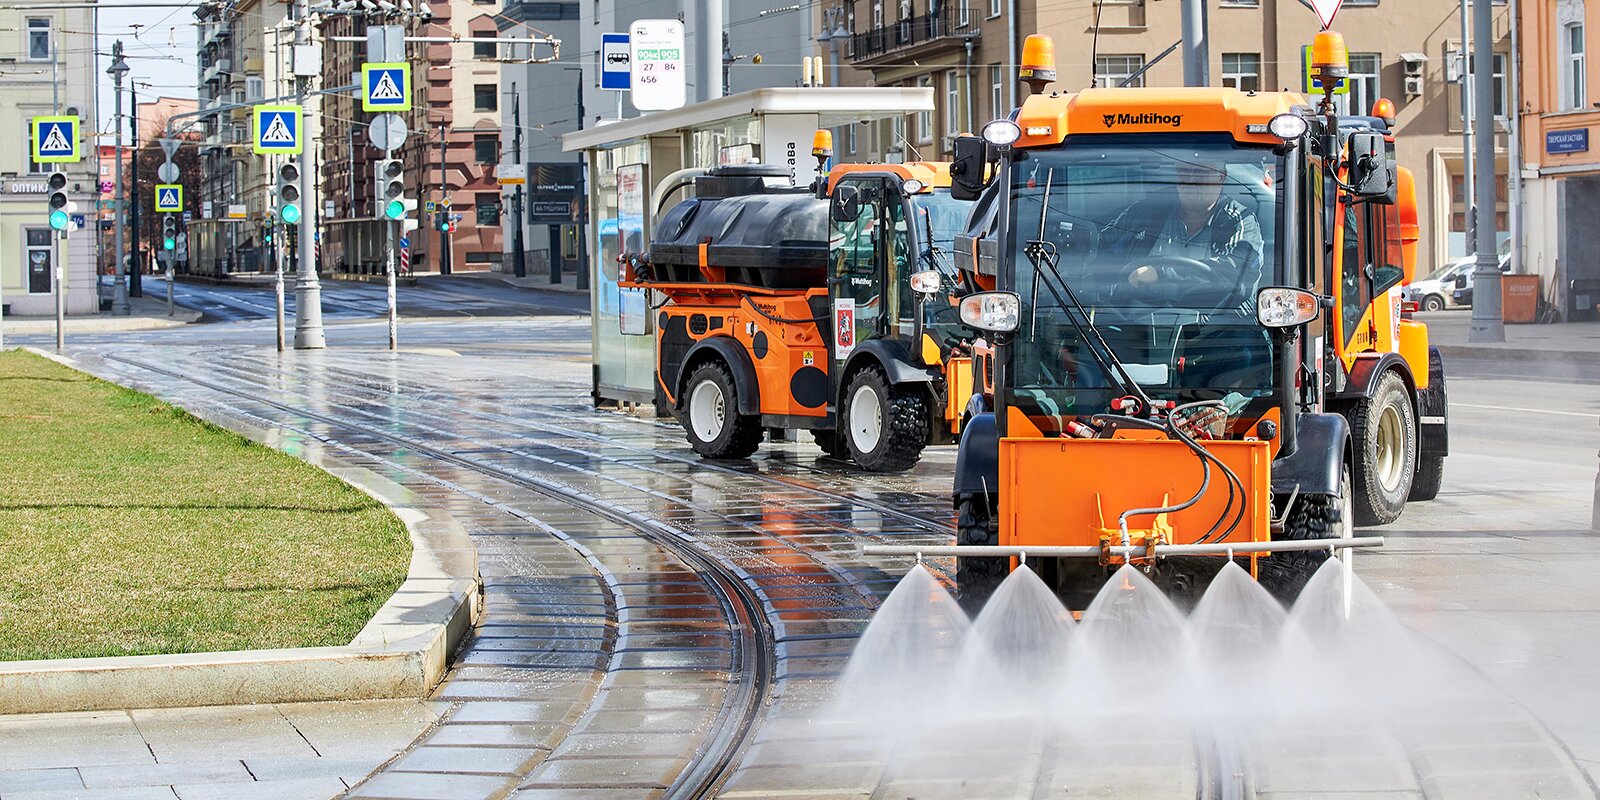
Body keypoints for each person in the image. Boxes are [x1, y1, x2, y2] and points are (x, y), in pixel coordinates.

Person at [1099, 161, 1265, 301]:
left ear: (1221, 177)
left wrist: (1161, 274)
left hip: (1216, 327)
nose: (1191, 179)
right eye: (1183, 171)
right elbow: (1101, 247)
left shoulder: (1238, 220)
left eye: (1201, 172)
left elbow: (1238, 274)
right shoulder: (1147, 211)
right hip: (1135, 327)